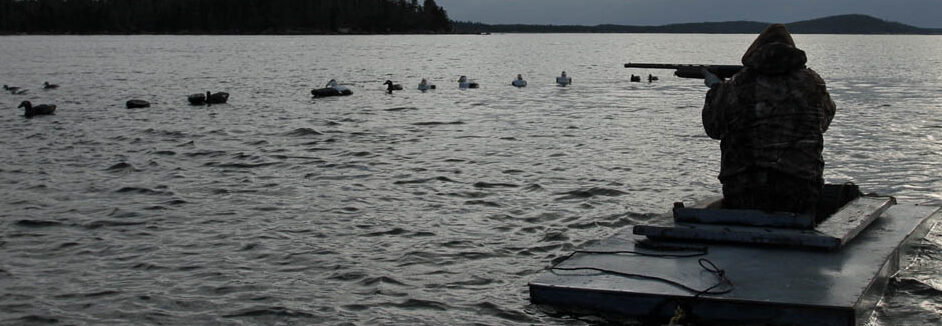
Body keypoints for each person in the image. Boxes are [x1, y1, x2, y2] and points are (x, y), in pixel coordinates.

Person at [701, 24, 836, 215]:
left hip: (742, 192)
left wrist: (716, 88)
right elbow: (823, 123)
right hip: (800, 192)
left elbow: (713, 129)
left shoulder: (736, 85)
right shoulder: (812, 82)